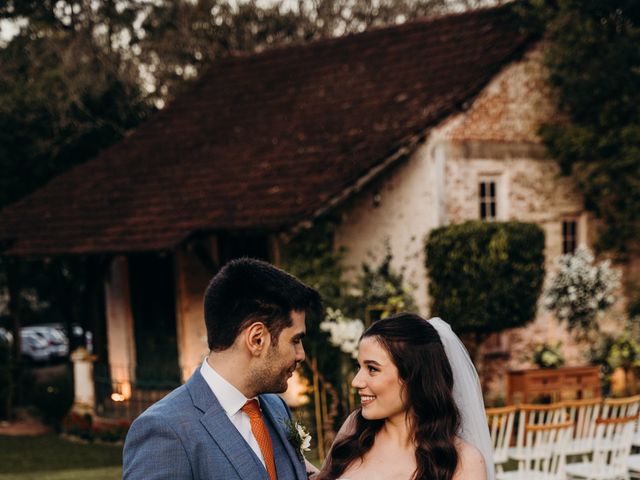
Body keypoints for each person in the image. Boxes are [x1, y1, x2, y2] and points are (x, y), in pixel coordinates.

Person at [123, 258, 322, 480]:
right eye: (295, 340)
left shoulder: (277, 408)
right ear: (257, 339)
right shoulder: (166, 431)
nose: (301, 354)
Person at [315, 313, 494, 480]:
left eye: (372, 369)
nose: (356, 381)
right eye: (359, 367)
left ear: (414, 376)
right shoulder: (356, 429)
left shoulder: (464, 461)